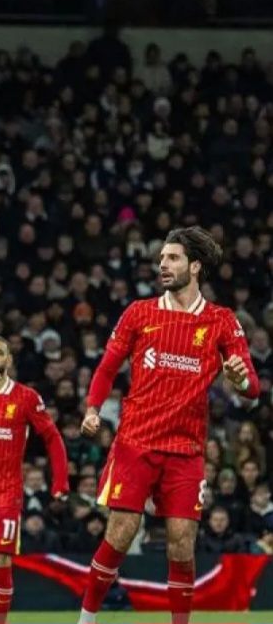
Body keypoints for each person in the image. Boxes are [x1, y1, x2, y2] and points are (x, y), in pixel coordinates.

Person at [77, 226, 260, 624]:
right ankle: (86, 620)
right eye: (161, 258)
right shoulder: (139, 312)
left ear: (194, 266)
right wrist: (93, 409)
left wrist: (239, 377)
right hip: (135, 442)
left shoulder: (221, 321)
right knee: (121, 535)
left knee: (182, 546)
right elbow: (107, 368)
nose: (163, 264)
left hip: (186, 451)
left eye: (172, 258)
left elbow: (253, 387)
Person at [0, 336, 70, 624]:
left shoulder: (26, 397)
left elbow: (52, 437)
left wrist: (61, 481)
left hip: (5, 493)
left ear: (9, 360)